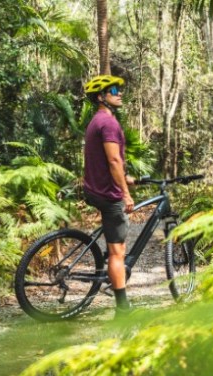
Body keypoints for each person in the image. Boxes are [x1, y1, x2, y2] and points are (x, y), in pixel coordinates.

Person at [82, 75, 134, 317]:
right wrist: (126, 193)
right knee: (117, 252)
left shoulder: (97, 121)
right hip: (107, 194)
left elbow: (110, 161)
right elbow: (113, 160)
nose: (119, 93)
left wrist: (125, 177)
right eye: (113, 89)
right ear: (101, 96)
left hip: (94, 188)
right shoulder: (109, 123)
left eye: (119, 89)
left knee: (114, 245)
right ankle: (122, 308)